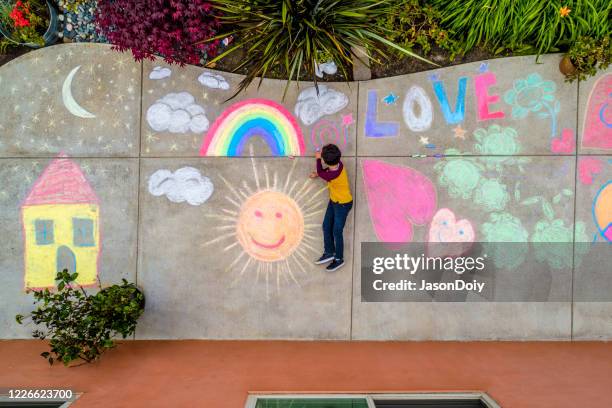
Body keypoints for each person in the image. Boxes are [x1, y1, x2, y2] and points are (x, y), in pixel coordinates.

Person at [309, 144, 353, 272]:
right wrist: (320, 173)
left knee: (336, 232)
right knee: (326, 226)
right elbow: (326, 172)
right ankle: (329, 252)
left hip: (343, 204)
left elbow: (324, 172)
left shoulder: (331, 175)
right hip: (334, 200)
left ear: (325, 160)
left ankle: (339, 259)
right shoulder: (339, 164)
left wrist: (318, 159)